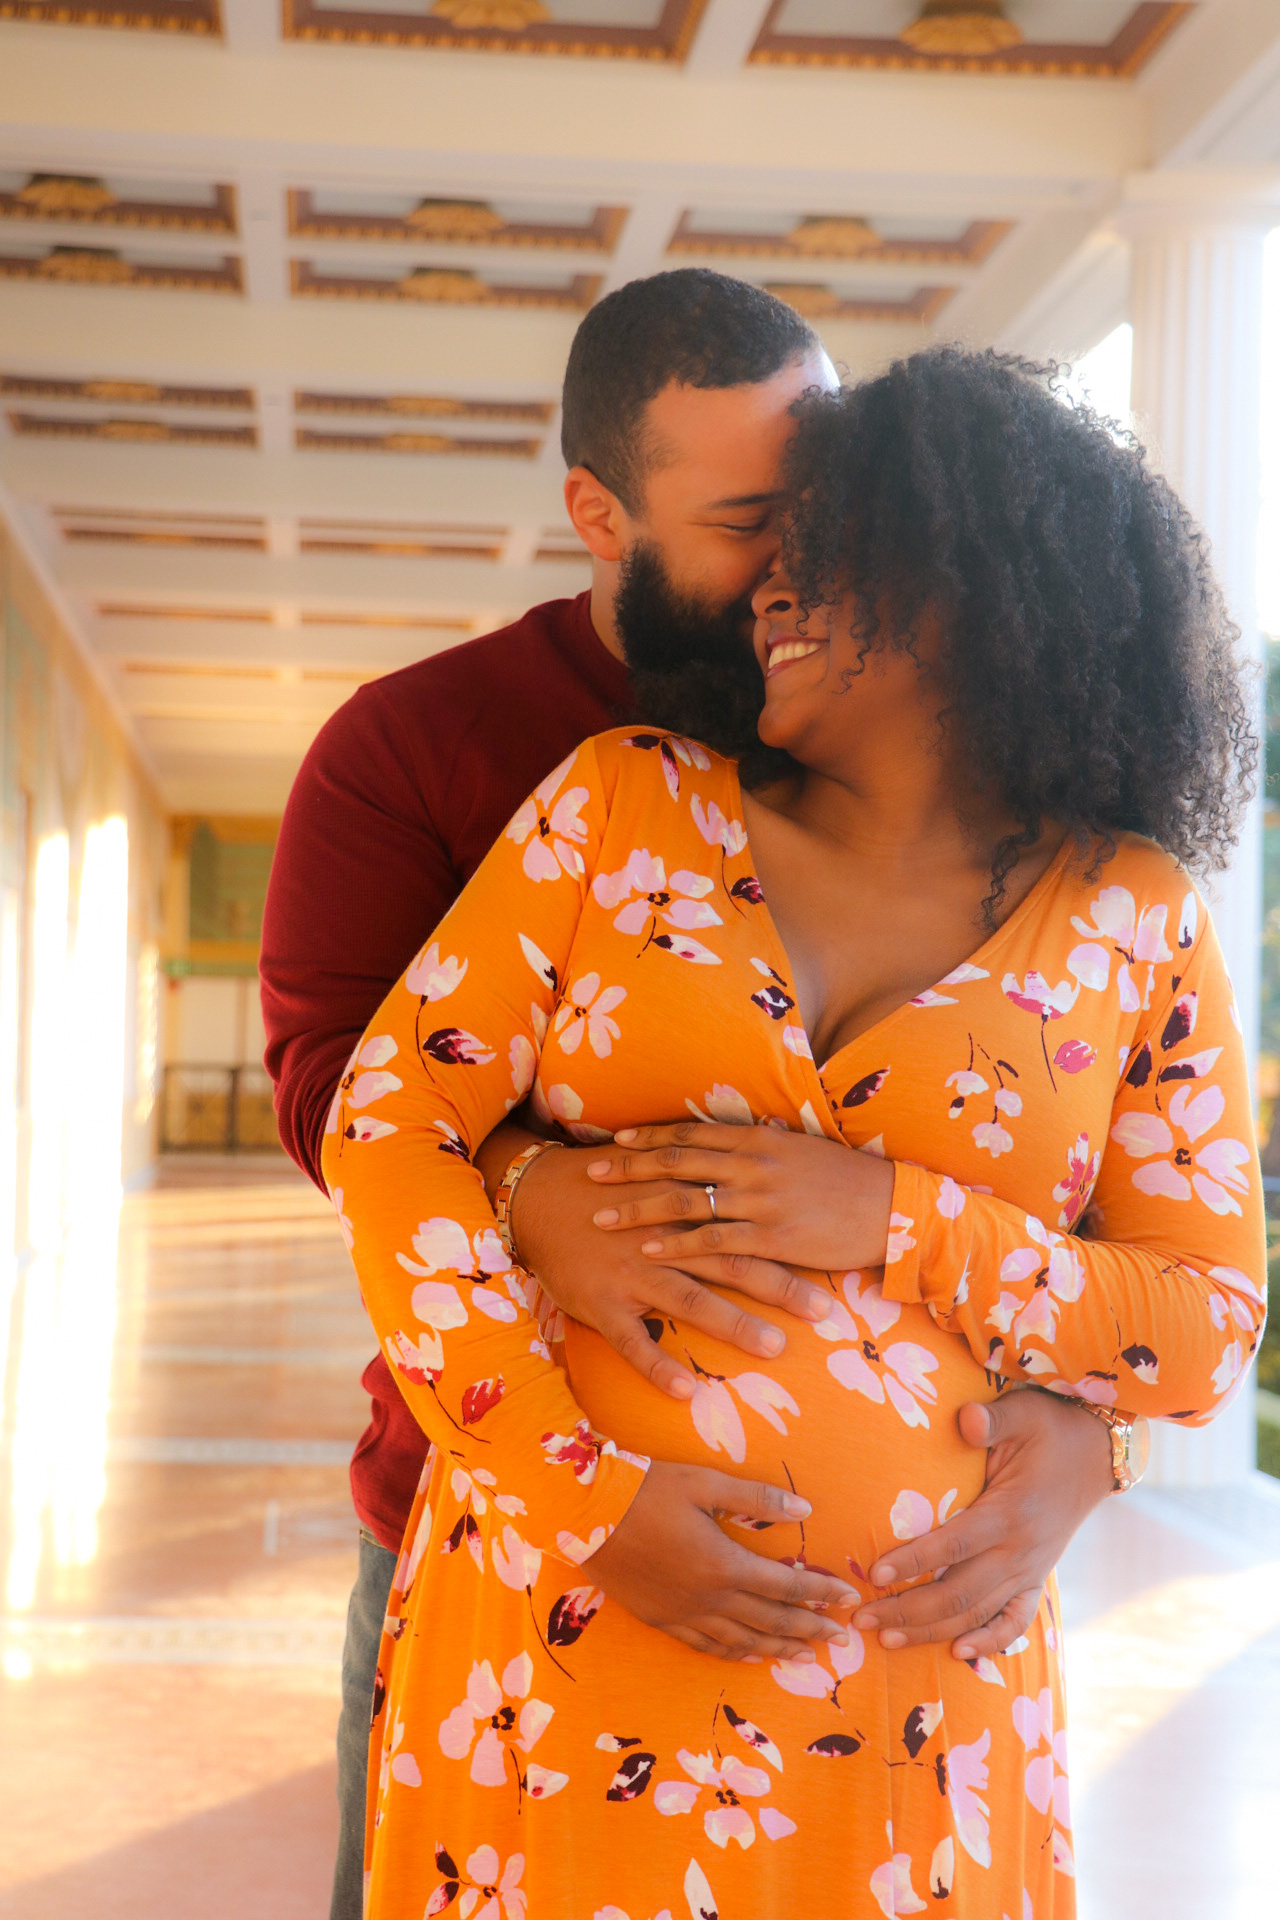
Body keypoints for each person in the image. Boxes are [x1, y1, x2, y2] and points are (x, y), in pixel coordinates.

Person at [320, 345, 1265, 1917]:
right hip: (553, 1634)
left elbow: (1203, 1324)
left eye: (829, 555)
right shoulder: (622, 805)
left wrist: (897, 1218)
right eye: (772, 549)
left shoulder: (1136, 917)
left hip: (912, 1703)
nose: (772, 587)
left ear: (982, 581)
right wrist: (585, 1501)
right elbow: (387, 1124)